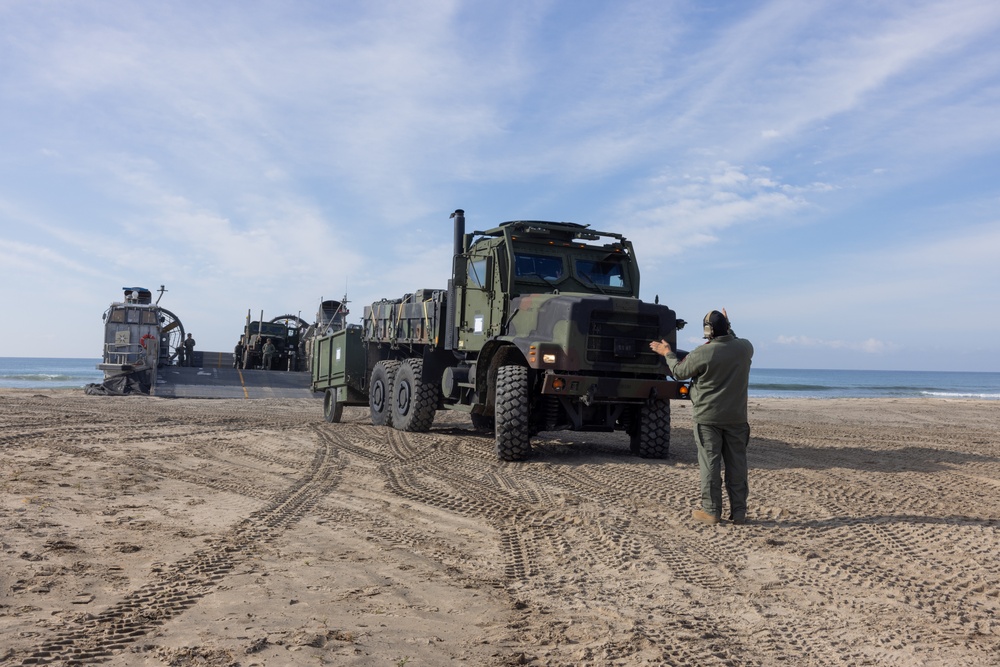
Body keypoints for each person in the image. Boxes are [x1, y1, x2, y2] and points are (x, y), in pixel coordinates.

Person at [650, 309, 754, 526]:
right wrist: (727, 325)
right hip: (736, 418)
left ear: (708, 331)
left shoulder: (702, 353)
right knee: (737, 465)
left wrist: (667, 353)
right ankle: (739, 512)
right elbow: (733, 340)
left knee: (710, 465)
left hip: (708, 418)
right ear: (727, 327)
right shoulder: (745, 348)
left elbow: (679, 372)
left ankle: (711, 511)